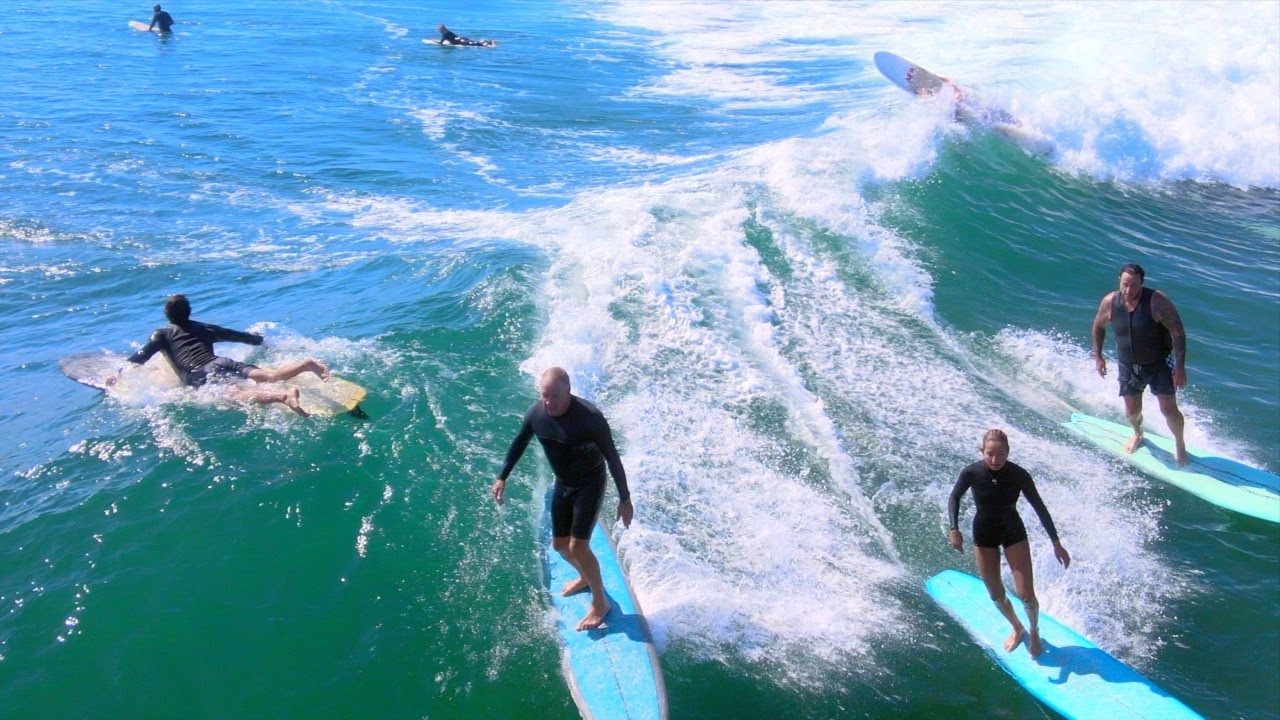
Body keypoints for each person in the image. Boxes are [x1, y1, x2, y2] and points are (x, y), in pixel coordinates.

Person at [493, 367, 634, 631]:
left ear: (568, 391)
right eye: (544, 396)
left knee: (578, 546)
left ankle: (600, 603)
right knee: (559, 546)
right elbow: (519, 442)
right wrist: (502, 477)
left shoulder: (591, 418)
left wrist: (624, 499)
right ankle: (584, 576)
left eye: (554, 396)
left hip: (589, 484)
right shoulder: (537, 414)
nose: (549, 403)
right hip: (563, 484)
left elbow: (613, 458)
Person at [948, 429, 1070, 658]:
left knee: (1026, 595)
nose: (995, 460)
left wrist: (1056, 542)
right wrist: (954, 529)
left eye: (1001, 454)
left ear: (1008, 452)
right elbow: (954, 496)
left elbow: (1039, 507)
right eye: (990, 454)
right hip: (984, 535)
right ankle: (1017, 627)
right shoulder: (971, 473)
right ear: (982, 451)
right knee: (995, 594)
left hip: (1013, 532)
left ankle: (1034, 630)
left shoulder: (1019, 474)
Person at [126, 294, 329, 416]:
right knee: (269, 376)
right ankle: (305, 364)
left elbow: (139, 358)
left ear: (167, 315)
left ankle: (283, 396)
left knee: (234, 394)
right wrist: (259, 339)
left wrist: (120, 373)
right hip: (222, 361)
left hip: (201, 372)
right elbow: (239, 336)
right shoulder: (205, 328)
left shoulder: (161, 334)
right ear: (189, 312)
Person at [1091, 263, 1190, 465]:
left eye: (1134, 285)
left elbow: (1178, 332)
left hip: (1159, 363)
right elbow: (1098, 327)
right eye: (1125, 284)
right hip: (1128, 365)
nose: (1129, 290)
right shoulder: (1110, 302)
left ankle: (1180, 444)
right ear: (1119, 280)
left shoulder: (1156, 301)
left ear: (1142, 284)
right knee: (1132, 411)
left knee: (1169, 409)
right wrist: (1098, 356)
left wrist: (1180, 368)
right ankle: (1137, 433)